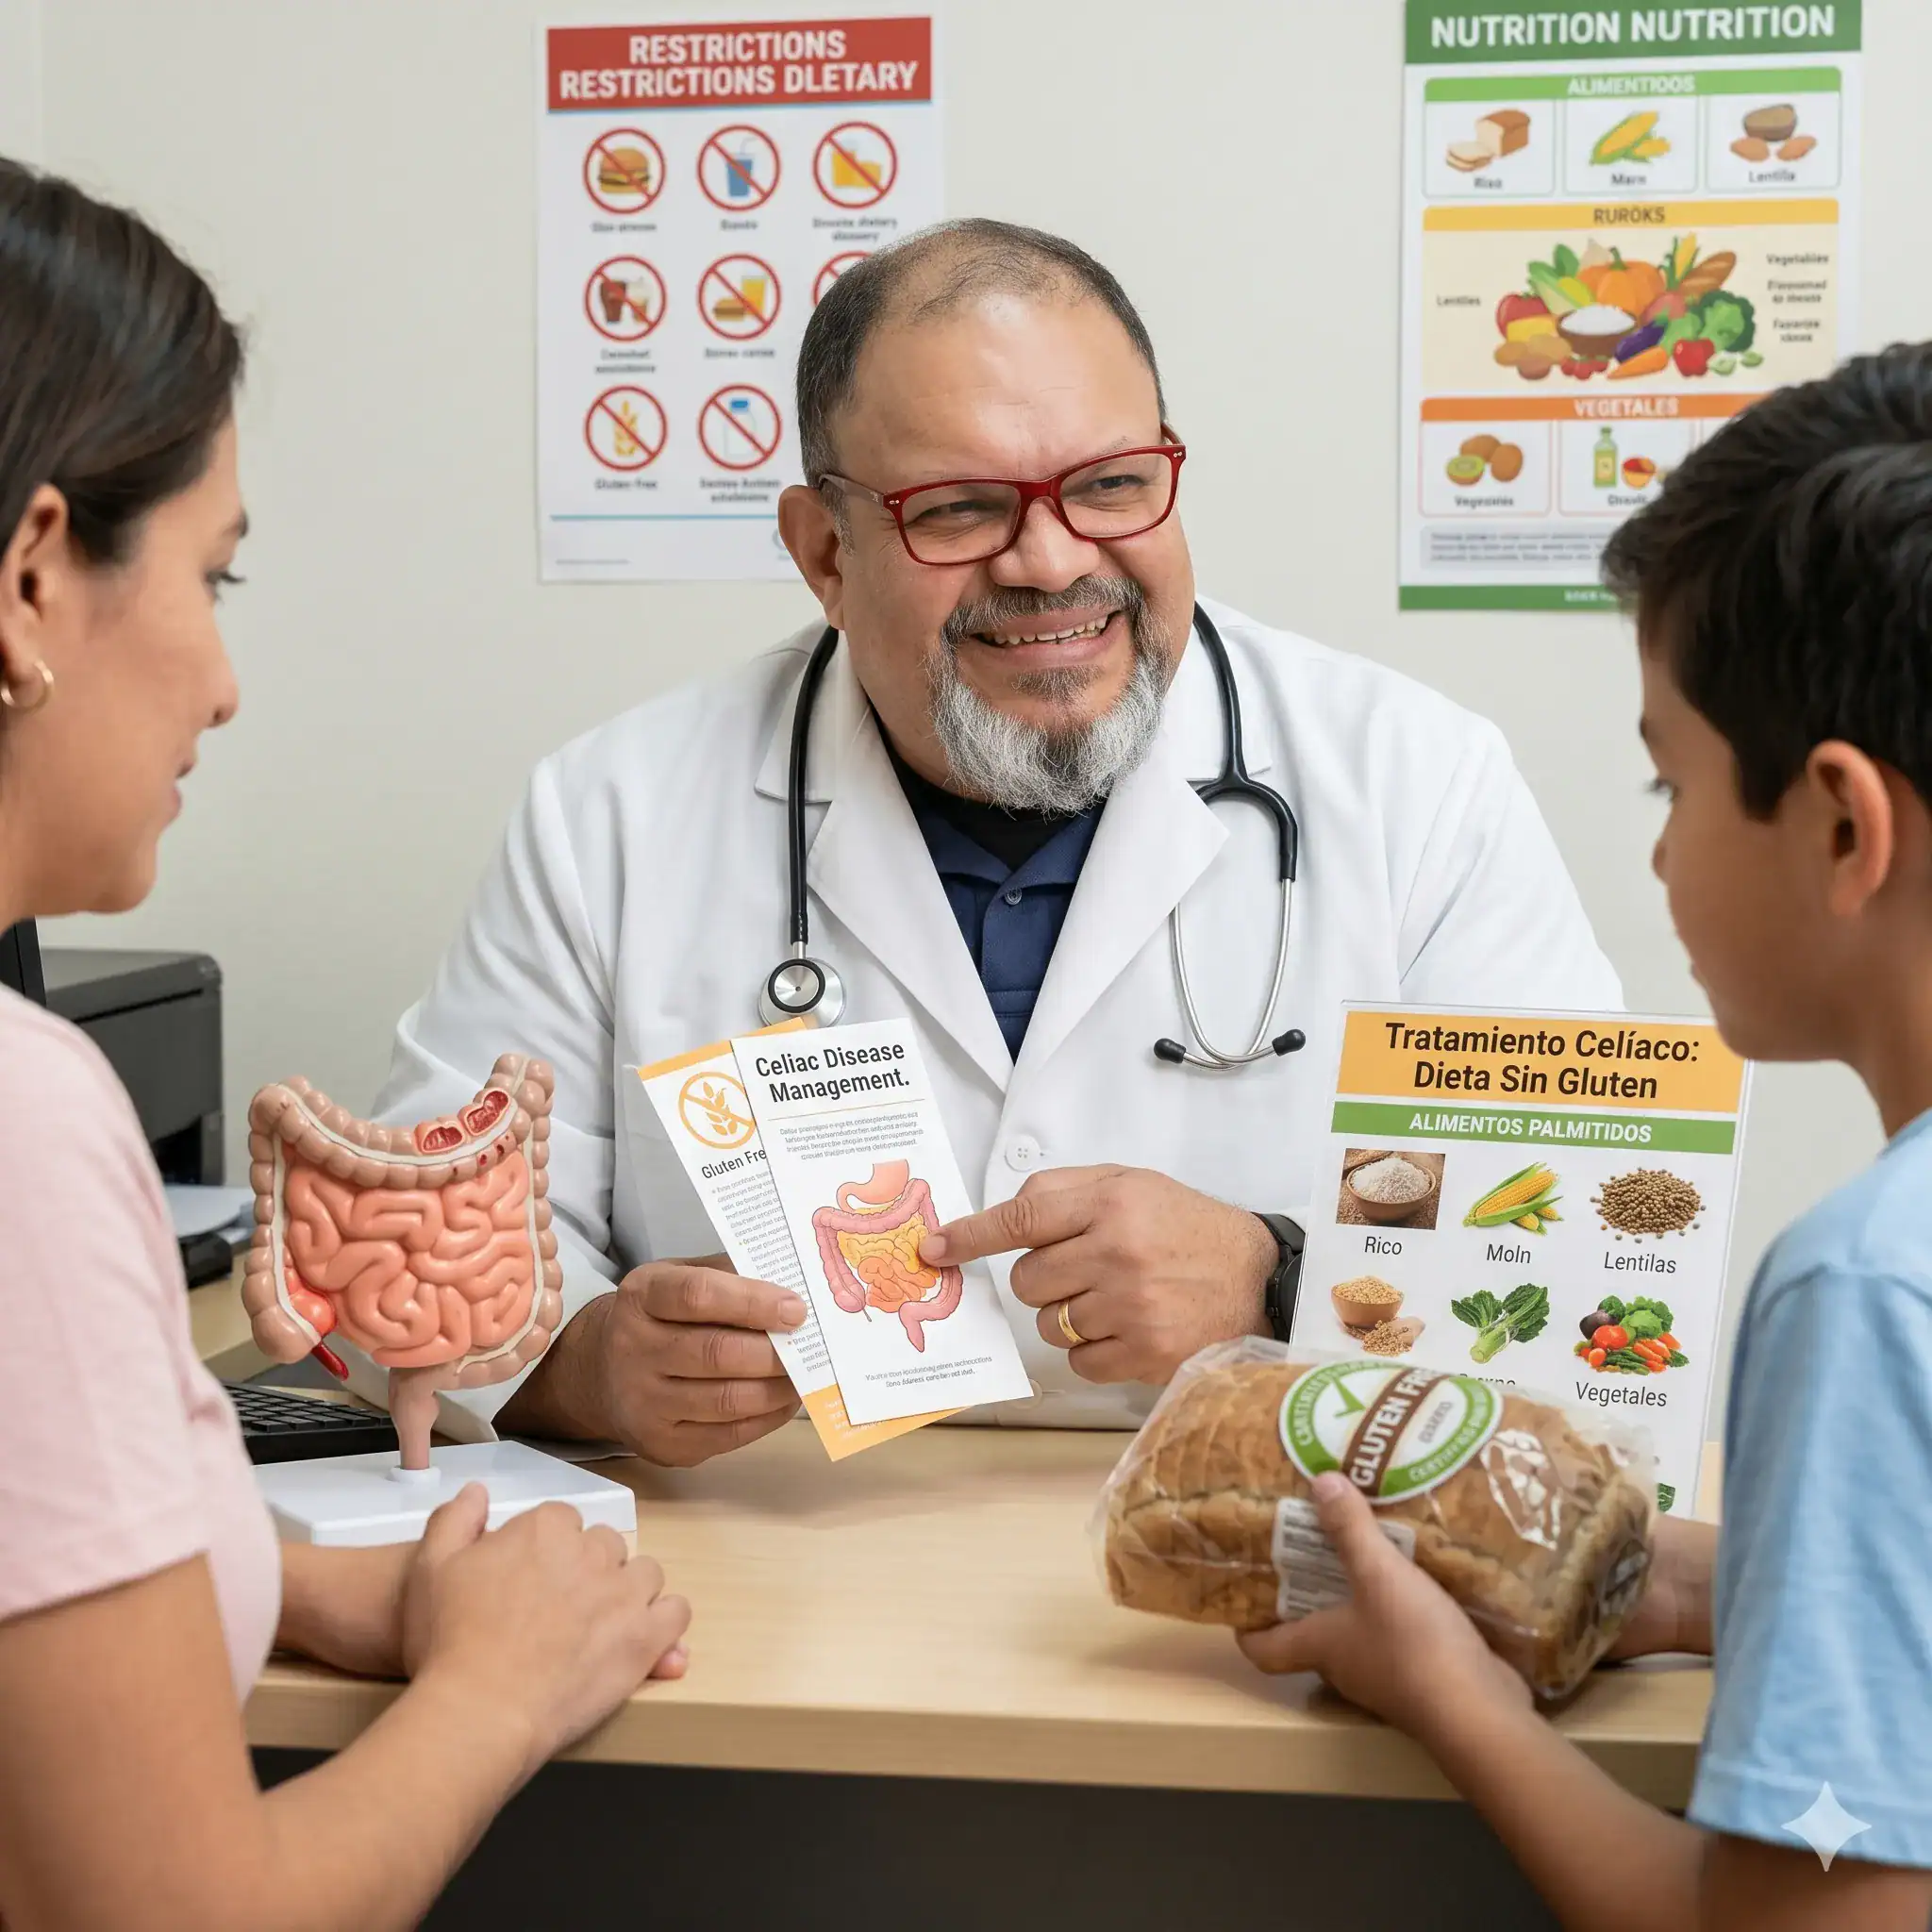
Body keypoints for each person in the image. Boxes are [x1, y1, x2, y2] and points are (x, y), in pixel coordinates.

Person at [374, 218, 1622, 1466]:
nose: (1053, 561)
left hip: (1272, 1552)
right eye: (961, 509)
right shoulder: (616, 814)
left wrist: (1275, 1282)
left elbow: (1584, 1255)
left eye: (1112, 485)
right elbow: (430, 1249)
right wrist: (584, 1367)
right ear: (824, 551)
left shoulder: (1416, 781)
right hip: (778, 1577)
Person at [0, 160, 691, 1930]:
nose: (226, 682)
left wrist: (255, 1575)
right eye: (214, 579)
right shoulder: (23, 1116)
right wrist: (499, 1685)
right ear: (30, 583)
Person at [1238, 344, 1932, 1929]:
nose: (1668, 852)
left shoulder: (1870, 1288)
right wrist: (1687, 1580)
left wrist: (1446, 1695)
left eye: (1667, 780)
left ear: (1841, 825)